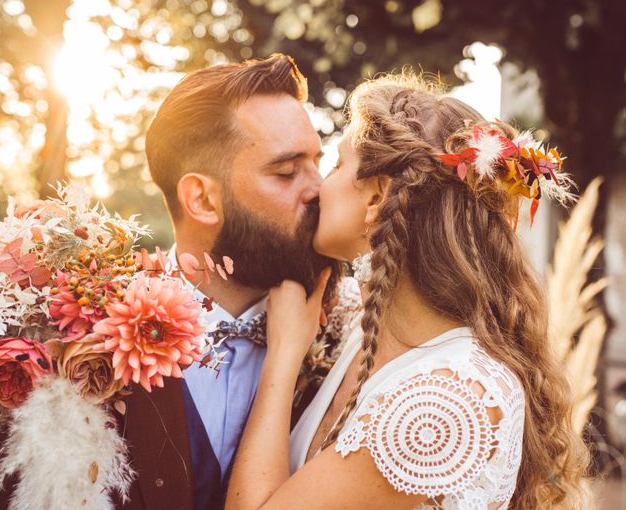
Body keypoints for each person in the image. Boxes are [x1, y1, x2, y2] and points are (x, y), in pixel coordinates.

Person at [0, 54, 362, 510]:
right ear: (202, 199)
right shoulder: (57, 341)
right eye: (287, 171)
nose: (319, 189)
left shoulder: (354, 336)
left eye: (317, 163)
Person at [226, 74, 592, 509]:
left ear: (377, 198)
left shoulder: (447, 400)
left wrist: (283, 357)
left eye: (337, 165)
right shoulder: (366, 330)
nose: (317, 187)